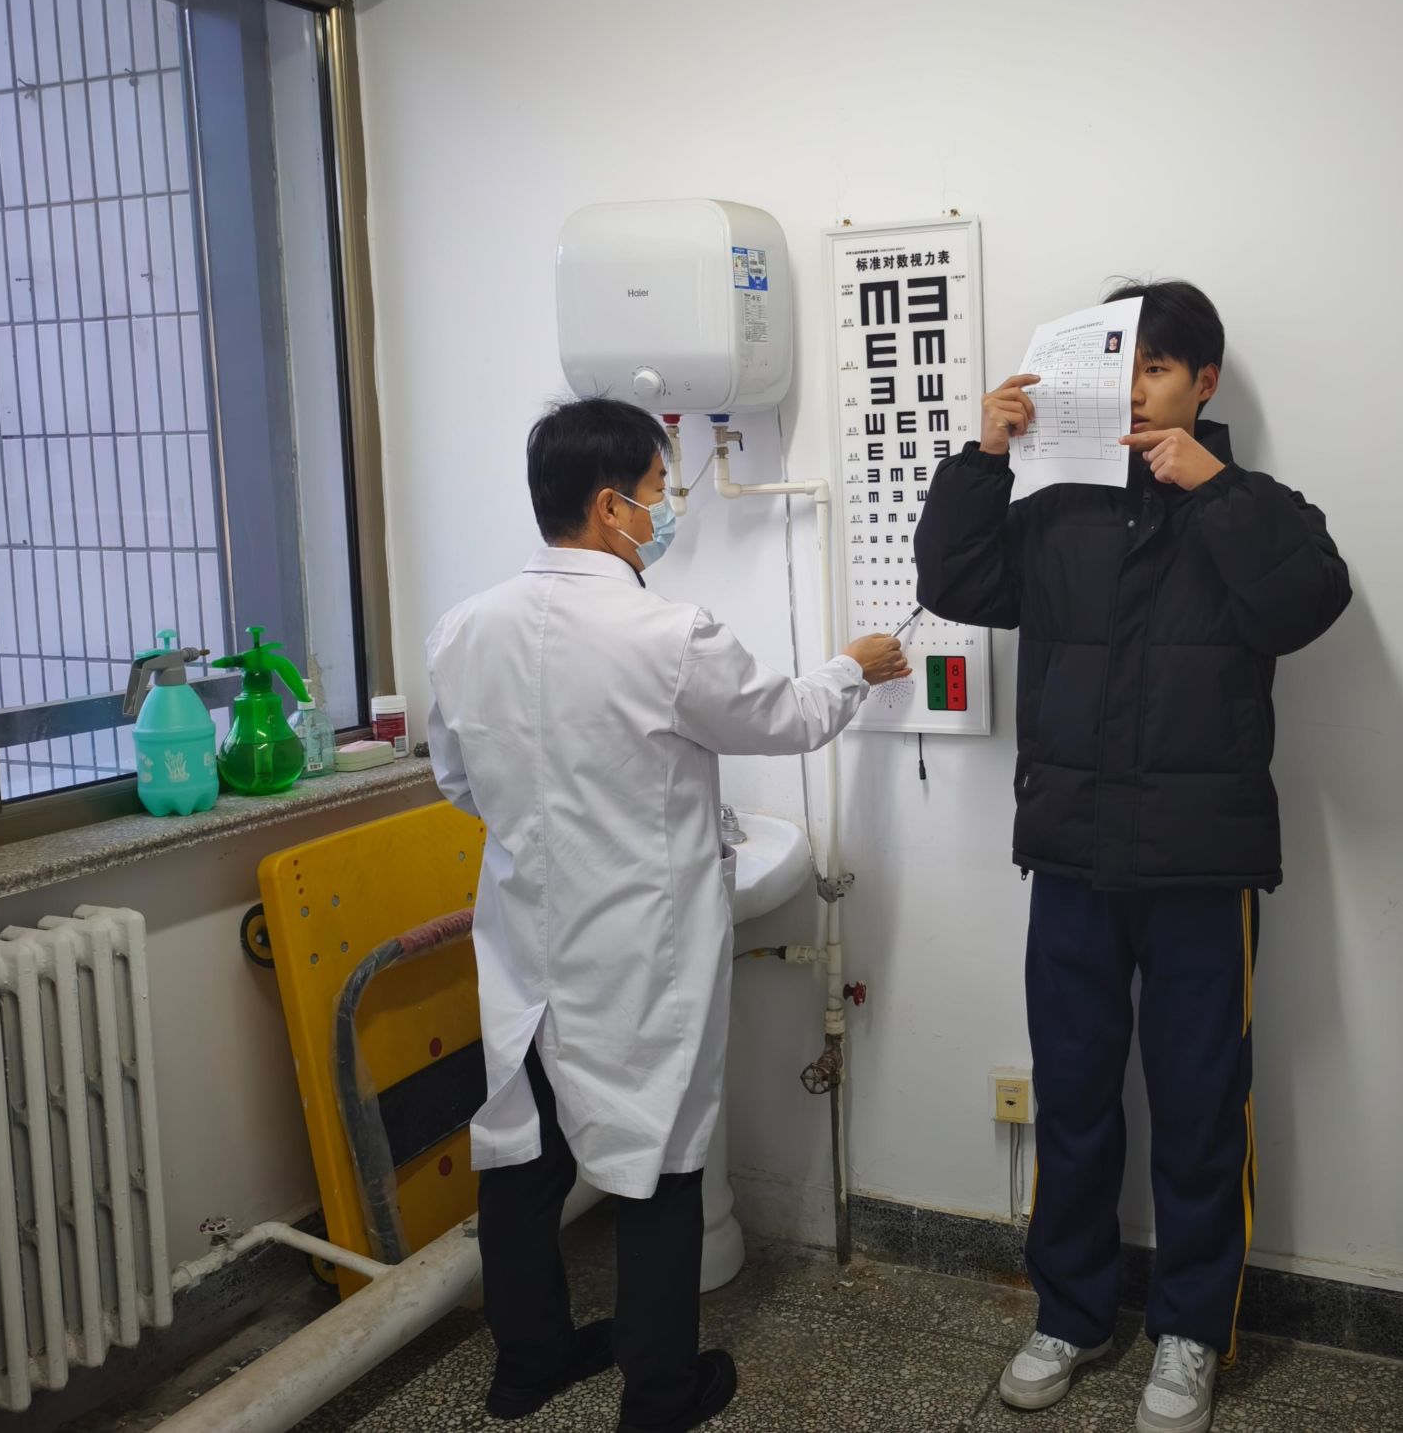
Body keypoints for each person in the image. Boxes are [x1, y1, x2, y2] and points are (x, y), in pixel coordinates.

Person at [915, 280, 1351, 1433]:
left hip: (1202, 866)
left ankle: (1190, 1331)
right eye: (1119, 363)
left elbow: (1307, 603)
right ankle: (1070, 1311)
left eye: (1155, 366)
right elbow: (951, 582)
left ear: (1201, 383)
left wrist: (1213, 489)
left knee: (1201, 1103)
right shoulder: (1053, 510)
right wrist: (983, 457)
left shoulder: (1252, 505)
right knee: (1071, 1094)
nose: (1134, 387)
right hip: (1069, 851)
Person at [425, 397, 909, 1433]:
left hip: (523, 943)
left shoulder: (464, 629)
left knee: (523, 1156)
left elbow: (458, 781)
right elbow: (786, 718)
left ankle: (527, 1368)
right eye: (658, 488)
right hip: (639, 951)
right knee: (662, 1162)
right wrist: (855, 668)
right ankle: (658, 1393)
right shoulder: (667, 634)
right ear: (611, 507)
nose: (667, 507)